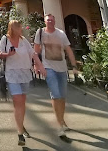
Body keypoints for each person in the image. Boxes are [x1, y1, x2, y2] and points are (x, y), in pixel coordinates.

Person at [0, 20, 45, 146]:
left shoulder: (23, 40)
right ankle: (20, 133)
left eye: (20, 27)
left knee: (21, 102)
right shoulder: (5, 39)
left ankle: (21, 124)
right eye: (18, 27)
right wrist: (8, 54)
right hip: (12, 74)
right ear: (12, 29)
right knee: (18, 100)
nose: (21, 29)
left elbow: (33, 54)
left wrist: (40, 66)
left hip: (25, 74)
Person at [34, 14, 79, 142]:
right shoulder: (41, 32)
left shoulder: (61, 34)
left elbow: (68, 50)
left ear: (55, 21)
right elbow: (36, 49)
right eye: (48, 20)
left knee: (62, 96)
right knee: (56, 94)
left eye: (52, 20)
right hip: (49, 68)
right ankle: (60, 126)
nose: (50, 22)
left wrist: (74, 66)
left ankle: (61, 119)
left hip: (62, 68)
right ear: (45, 21)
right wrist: (37, 64)